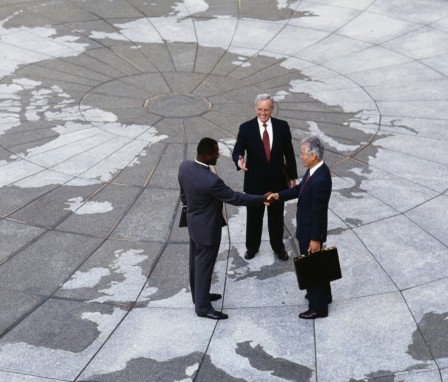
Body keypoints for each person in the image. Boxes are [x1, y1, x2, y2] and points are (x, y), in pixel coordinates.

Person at [178, 137, 270, 320]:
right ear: (206, 155)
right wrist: (261, 198)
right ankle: (203, 308)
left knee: (195, 264)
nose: (218, 155)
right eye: (215, 153)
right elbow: (235, 198)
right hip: (208, 230)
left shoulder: (185, 167)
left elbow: (183, 195)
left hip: (194, 224)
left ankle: (199, 296)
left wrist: (192, 210)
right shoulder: (211, 180)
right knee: (204, 267)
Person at [268, 136, 332, 319]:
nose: (300, 157)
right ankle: (324, 296)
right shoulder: (314, 170)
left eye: (303, 154)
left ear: (313, 155)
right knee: (317, 265)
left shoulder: (320, 179)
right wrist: (278, 196)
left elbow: (319, 212)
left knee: (312, 268)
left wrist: (315, 239)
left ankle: (318, 308)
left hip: (311, 231)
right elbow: (299, 190)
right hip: (307, 228)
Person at [232, 94, 298, 261]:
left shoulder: (282, 126)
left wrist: (292, 176)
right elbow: (238, 149)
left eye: (266, 110)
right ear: (255, 108)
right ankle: (252, 247)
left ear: (272, 109)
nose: (263, 113)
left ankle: (278, 247)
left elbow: (289, 153)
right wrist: (239, 159)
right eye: (260, 109)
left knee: (276, 218)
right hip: (255, 182)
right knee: (254, 217)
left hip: (277, 181)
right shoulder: (246, 128)